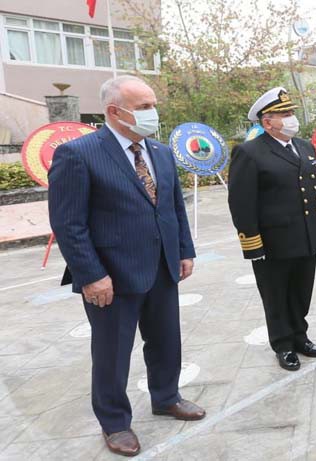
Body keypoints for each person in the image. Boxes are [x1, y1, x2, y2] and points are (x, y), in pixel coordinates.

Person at [48, 75, 205, 457]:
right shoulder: (79, 154)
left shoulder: (161, 152)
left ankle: (166, 396)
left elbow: (173, 207)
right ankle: (115, 422)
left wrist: (184, 250)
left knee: (167, 341)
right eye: (144, 108)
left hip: (163, 267)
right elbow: (69, 224)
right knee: (112, 353)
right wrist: (91, 275)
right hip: (111, 277)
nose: (154, 114)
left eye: (154, 105)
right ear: (115, 111)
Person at [228, 87, 316, 372]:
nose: (291, 118)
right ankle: (283, 344)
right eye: (284, 114)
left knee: (301, 292)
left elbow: (311, 193)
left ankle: (300, 336)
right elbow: (241, 203)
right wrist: (253, 244)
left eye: (291, 112)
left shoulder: (306, 147)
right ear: (266, 121)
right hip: (274, 242)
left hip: (306, 237)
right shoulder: (249, 152)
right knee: (276, 296)